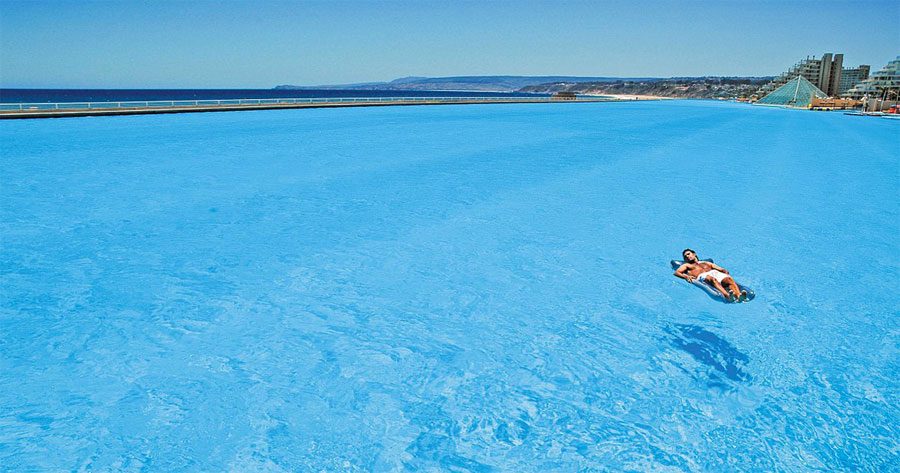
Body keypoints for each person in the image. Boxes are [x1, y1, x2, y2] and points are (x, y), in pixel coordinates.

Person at [674, 248, 748, 302]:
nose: (687, 256)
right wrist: (686, 276)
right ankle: (728, 296)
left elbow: (718, 268)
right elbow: (677, 273)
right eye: (685, 256)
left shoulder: (706, 263)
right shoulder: (687, 265)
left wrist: (723, 270)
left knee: (728, 279)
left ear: (694, 254)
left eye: (688, 254)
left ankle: (739, 296)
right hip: (703, 276)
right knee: (712, 279)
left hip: (715, 273)